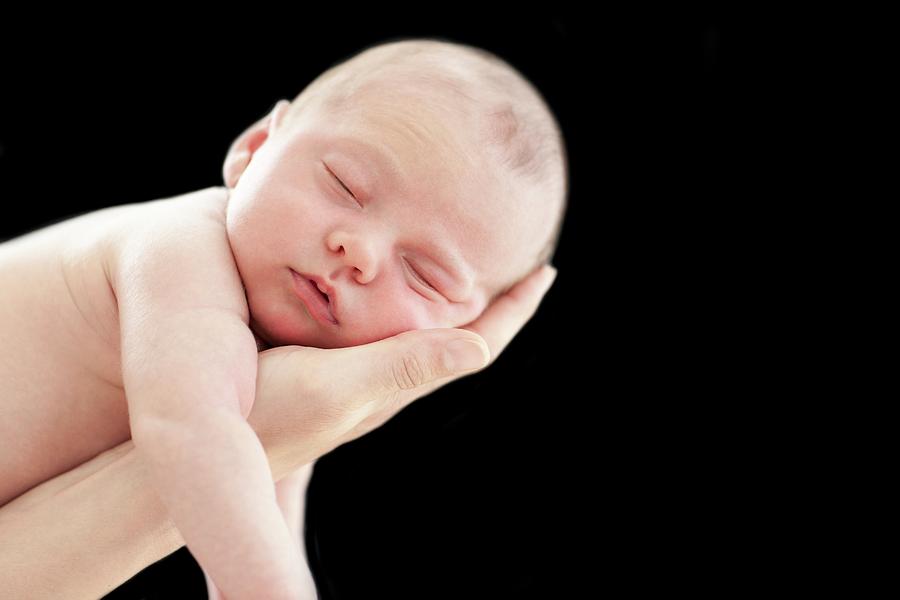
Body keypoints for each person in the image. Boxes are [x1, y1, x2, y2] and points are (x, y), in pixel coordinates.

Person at [0, 37, 567, 599]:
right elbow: (195, 432)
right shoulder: (178, 250)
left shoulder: (283, 368)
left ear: (461, 324)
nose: (359, 252)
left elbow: (263, 507)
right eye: (345, 186)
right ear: (256, 146)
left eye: (425, 275)